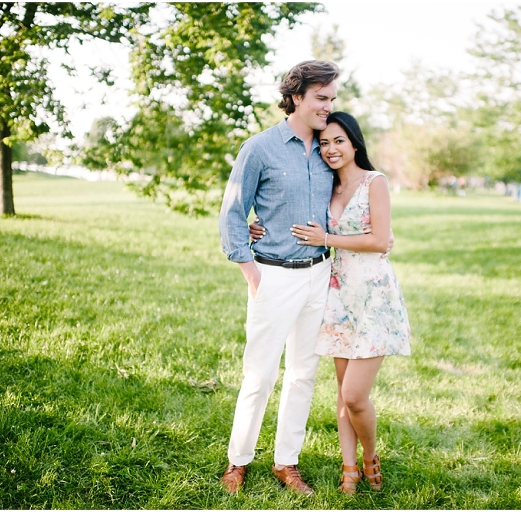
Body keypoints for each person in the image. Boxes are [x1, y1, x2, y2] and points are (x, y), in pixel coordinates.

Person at [255, 112, 411, 494]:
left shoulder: (375, 182)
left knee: (356, 396)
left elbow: (378, 240)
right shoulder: (324, 185)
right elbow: (287, 210)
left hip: (373, 295)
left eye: (338, 141)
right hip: (338, 294)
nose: (331, 149)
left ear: (355, 143)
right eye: (324, 143)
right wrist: (253, 225)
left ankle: (371, 454)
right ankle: (348, 469)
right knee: (341, 392)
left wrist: (327, 239)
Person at [217, 60, 340, 496]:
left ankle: (286, 463)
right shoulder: (261, 148)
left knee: (303, 373)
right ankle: (238, 461)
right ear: (296, 96)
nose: (329, 106)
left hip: (319, 274)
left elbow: (350, 197)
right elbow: (233, 209)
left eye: (332, 98)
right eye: (321, 97)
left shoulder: (331, 148)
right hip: (273, 275)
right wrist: (249, 268)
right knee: (260, 374)